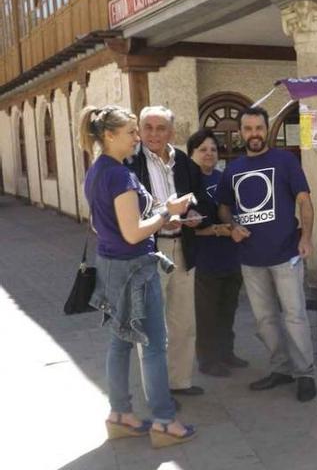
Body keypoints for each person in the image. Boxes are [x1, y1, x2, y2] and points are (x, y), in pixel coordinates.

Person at [81, 105, 195, 448]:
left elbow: (99, 224)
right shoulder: (119, 175)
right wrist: (167, 212)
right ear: (110, 135)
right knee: (154, 346)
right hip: (135, 266)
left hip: (111, 263)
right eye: (132, 132)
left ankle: (120, 416)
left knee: (120, 341)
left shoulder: (97, 170)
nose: (137, 139)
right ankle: (163, 421)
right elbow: (133, 233)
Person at [217, 106, 317, 402]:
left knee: (295, 316)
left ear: (267, 128)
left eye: (258, 128)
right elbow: (223, 206)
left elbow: (305, 200)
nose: (253, 134)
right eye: (247, 129)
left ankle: (305, 373)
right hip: (250, 258)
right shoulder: (233, 169)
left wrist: (307, 237)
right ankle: (281, 368)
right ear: (241, 133)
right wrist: (231, 225)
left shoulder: (285, 160)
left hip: (286, 253)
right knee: (264, 320)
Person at [125, 105, 208, 399]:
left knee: (183, 321)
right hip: (150, 249)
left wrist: (197, 212)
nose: (154, 134)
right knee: (151, 325)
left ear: (171, 132)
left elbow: (201, 194)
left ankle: (179, 382)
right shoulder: (130, 163)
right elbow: (127, 210)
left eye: (161, 128)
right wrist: (163, 213)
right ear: (140, 130)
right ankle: (157, 391)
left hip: (182, 247)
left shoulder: (183, 161)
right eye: (148, 127)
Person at [187, 129, 247, 378]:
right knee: (207, 313)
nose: (209, 153)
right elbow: (186, 228)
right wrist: (216, 230)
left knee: (227, 308)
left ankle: (226, 353)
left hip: (230, 256)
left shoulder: (223, 178)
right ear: (192, 153)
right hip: (204, 258)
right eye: (203, 149)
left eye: (213, 149)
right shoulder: (187, 183)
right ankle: (207, 360)